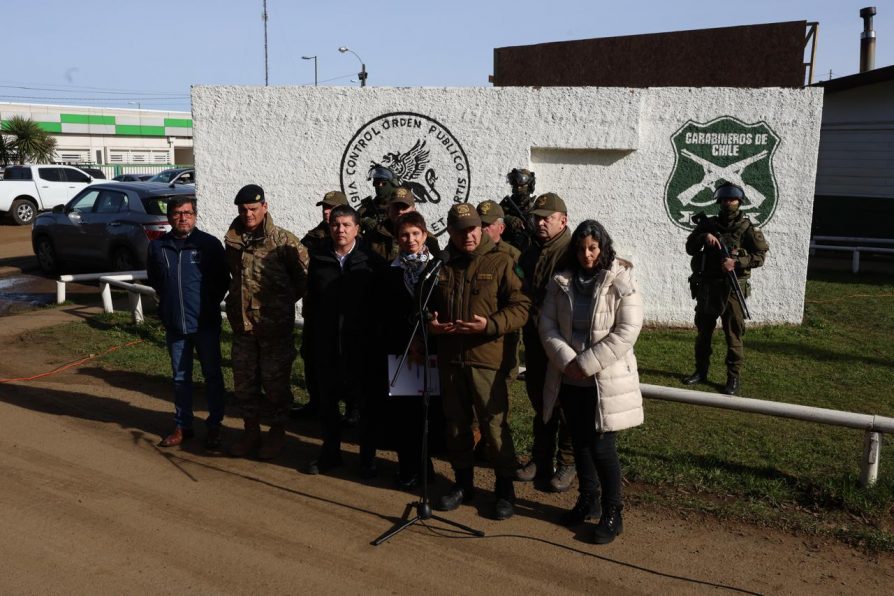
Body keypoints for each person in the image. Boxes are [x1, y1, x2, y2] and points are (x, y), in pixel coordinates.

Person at [539, 219, 644, 545]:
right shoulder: (562, 282)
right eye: (582, 248)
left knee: (602, 448)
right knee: (580, 443)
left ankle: (614, 512)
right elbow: (547, 324)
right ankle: (588, 500)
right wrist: (568, 362)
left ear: (603, 248)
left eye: (593, 248)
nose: (587, 254)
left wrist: (585, 363)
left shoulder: (620, 281)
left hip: (604, 380)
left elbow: (627, 330)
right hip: (570, 379)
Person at [429, 203, 531, 520]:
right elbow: (425, 304)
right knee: (457, 425)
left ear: (481, 228)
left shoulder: (502, 262)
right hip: (450, 359)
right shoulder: (442, 265)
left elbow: (522, 307)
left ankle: (504, 490)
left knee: (494, 426)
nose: (467, 235)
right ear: (450, 232)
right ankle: (463, 484)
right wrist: (431, 323)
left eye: (472, 228)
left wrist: (489, 325)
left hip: (488, 359)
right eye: (460, 230)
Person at [224, 184, 309, 460]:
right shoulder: (233, 241)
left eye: (253, 209)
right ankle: (250, 431)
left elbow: (304, 280)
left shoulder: (284, 242)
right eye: (243, 209)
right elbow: (235, 277)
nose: (248, 214)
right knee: (245, 385)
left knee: (275, 386)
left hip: (274, 330)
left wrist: (279, 305)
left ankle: (276, 433)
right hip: (244, 329)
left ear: (265, 207)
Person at [303, 204, 386, 475]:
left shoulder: (372, 263)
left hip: (362, 348)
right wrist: (311, 342)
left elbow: (380, 307)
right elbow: (311, 306)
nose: (341, 230)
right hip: (327, 346)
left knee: (365, 406)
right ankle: (330, 454)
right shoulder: (318, 260)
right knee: (328, 404)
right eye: (336, 225)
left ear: (357, 229)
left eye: (347, 225)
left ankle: (367, 458)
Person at [147, 195, 229, 450]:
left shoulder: (209, 245)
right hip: (175, 325)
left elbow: (222, 281)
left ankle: (214, 426)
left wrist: (206, 306)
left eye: (188, 213)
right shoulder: (158, 247)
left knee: (212, 376)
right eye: (177, 213)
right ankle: (183, 426)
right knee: (180, 377)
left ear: (195, 215)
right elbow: (156, 280)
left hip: (204, 324)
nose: (183, 218)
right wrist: (169, 306)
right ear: (170, 217)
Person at [373, 210, 441, 488]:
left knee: (429, 411)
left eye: (415, 234)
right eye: (404, 234)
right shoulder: (389, 272)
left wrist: (427, 339)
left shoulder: (438, 268)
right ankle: (407, 465)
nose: (410, 239)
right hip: (402, 350)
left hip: (432, 348)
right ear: (397, 238)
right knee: (404, 413)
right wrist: (407, 341)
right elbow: (385, 314)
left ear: (424, 235)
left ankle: (427, 465)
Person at [682, 183, 769, 396]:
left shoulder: (748, 228)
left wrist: (737, 263)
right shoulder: (708, 224)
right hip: (708, 287)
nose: (728, 203)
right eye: (724, 200)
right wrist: (703, 237)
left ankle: (733, 378)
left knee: (733, 334)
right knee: (704, 333)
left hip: (733, 288)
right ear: (719, 202)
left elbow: (760, 257)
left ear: (740, 202)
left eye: (732, 199)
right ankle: (700, 371)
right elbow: (690, 248)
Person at [517, 192, 576, 492]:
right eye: (537, 217)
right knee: (540, 400)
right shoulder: (531, 250)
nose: (539, 222)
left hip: (563, 341)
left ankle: (567, 462)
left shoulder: (571, 251)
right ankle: (541, 458)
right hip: (535, 337)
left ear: (562, 220)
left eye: (546, 218)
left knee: (564, 402)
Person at [292, 190, 349, 421]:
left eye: (332, 208)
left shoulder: (355, 235)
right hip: (315, 310)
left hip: (345, 314)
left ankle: (352, 409)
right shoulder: (313, 237)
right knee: (310, 354)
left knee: (347, 359)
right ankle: (316, 402)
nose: (326, 212)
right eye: (324, 208)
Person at [365, 186, 440, 261]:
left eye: (404, 207)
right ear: (388, 209)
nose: (400, 211)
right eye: (396, 207)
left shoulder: (429, 240)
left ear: (414, 210)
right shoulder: (374, 234)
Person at [499, 168, 537, 253]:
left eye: (522, 185)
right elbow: (492, 220)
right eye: (515, 185)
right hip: (506, 249)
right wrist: (507, 219)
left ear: (530, 186)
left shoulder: (536, 207)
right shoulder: (506, 204)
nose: (518, 188)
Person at [358, 165, 398, 233]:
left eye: (383, 183)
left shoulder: (400, 207)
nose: (379, 186)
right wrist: (364, 221)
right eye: (376, 183)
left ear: (392, 184)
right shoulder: (368, 206)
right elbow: (352, 226)